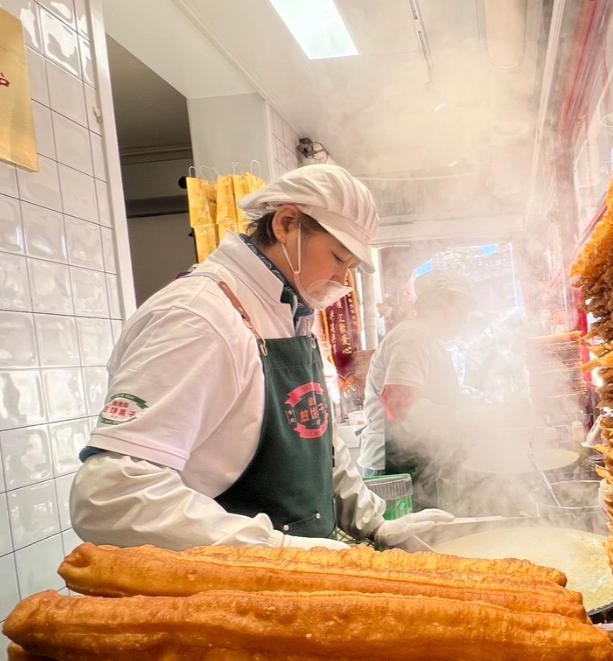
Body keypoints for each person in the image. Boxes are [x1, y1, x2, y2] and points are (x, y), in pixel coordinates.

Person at [71, 165, 453, 550]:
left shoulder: (289, 313)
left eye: (351, 268)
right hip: (225, 581)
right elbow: (110, 497)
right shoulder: (197, 317)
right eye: (338, 258)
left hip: (293, 575)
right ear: (286, 223)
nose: (342, 281)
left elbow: (317, 439)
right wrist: (279, 550)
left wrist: (373, 523)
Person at [358, 271, 477, 507]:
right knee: (407, 530)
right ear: (439, 306)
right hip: (395, 468)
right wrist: (466, 418)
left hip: (413, 461)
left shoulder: (427, 339)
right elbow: (400, 405)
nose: (464, 318)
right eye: (461, 309)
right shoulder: (413, 338)